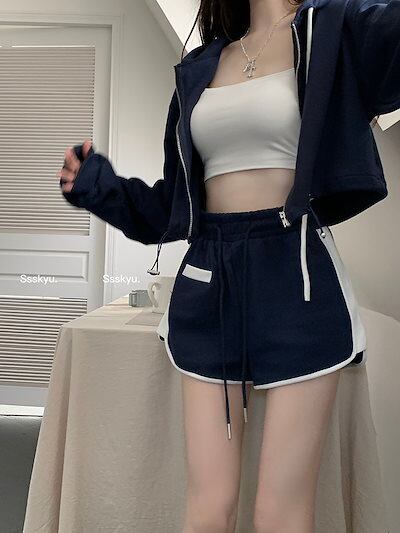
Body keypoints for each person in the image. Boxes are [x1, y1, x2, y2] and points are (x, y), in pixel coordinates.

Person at [58, 0, 400, 531]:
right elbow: (174, 206)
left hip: (296, 274)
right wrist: (97, 188)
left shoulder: (336, 27)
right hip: (208, 276)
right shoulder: (201, 67)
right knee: (208, 508)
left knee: (279, 514)